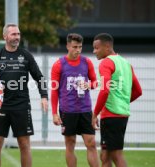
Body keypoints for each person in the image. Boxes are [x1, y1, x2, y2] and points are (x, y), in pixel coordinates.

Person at [0, 23, 48, 167]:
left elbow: (39, 77)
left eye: (18, 34)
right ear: (5, 37)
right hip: (0, 106)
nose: (17, 37)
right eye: (13, 34)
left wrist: (44, 96)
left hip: (21, 105)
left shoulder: (26, 56)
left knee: (24, 144)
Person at [92, 33, 142, 167]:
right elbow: (138, 91)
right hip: (122, 114)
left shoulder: (106, 63)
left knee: (116, 155)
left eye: (97, 48)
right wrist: (122, 102)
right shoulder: (126, 63)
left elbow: (104, 90)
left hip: (111, 116)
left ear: (107, 46)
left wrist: (95, 113)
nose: (94, 51)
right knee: (105, 155)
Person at [51, 33, 99, 167]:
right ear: (67, 46)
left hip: (85, 109)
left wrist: (88, 85)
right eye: (74, 47)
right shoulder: (59, 64)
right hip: (68, 110)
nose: (77, 50)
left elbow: (95, 82)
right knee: (70, 143)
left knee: (91, 143)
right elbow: (54, 90)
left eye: (80, 47)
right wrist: (54, 113)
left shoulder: (87, 62)